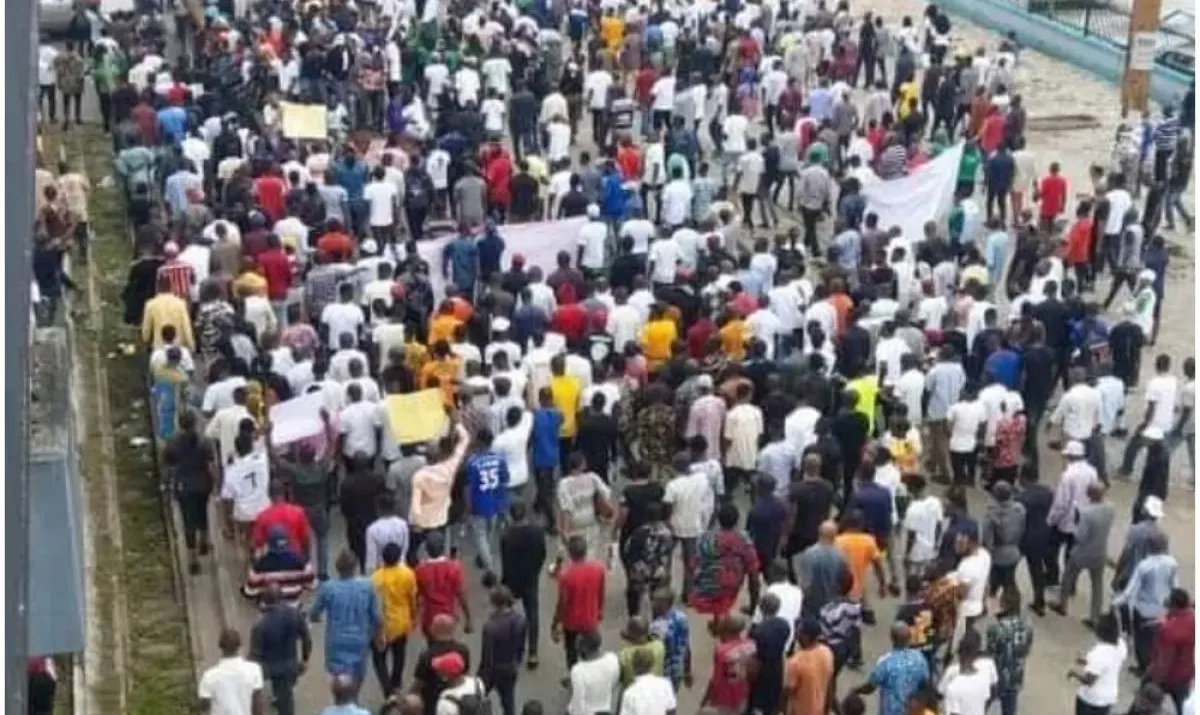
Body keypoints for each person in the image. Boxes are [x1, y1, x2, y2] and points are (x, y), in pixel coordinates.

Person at [310, 550, 382, 687]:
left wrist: (316, 618)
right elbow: (377, 617)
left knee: (338, 681)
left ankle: (342, 697)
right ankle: (353, 696)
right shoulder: (367, 586)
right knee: (357, 677)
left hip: (336, 641)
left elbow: (314, 613)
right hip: (360, 640)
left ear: (337, 567)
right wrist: (378, 636)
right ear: (355, 567)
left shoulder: (328, 588)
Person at [1052, 482, 1114, 627]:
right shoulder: (1110, 508)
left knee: (1068, 577)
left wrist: (1075, 525)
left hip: (1082, 553)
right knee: (1097, 585)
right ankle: (1095, 617)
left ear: (1089, 495)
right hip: (1100, 552)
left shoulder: (1086, 513)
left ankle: (1062, 605)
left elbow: (1080, 536)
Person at [690, 503, 762, 620]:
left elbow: (694, 563)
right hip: (728, 589)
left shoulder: (705, 537)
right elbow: (753, 572)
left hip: (704, 588)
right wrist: (754, 606)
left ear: (718, 519)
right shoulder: (742, 540)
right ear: (737, 521)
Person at [249, 583, 312, 715]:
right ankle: (280, 700)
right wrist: (305, 659)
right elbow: (306, 638)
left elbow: (255, 654)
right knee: (286, 695)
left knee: (285, 700)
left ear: (265, 601)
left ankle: (281, 701)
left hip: (273, 668)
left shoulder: (261, 624)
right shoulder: (295, 614)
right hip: (291, 664)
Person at [499, 503, 547, 669]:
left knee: (507, 615)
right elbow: (542, 554)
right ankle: (533, 653)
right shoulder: (537, 532)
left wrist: (504, 582)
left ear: (511, 515)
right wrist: (536, 572)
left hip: (512, 580)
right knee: (532, 614)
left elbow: (505, 561)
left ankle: (512, 650)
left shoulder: (507, 536)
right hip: (530, 578)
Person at [370, 542, 418, 698]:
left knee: (379, 658)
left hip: (382, 624)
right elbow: (412, 599)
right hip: (401, 621)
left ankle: (387, 689)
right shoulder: (408, 574)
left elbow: (373, 604)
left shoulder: (376, 578)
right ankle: (396, 683)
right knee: (399, 654)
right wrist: (414, 617)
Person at [850, 623, 930, 715]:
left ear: (892, 638)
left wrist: (856, 691)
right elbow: (925, 684)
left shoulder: (886, 662)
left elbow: (870, 687)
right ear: (909, 638)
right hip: (911, 711)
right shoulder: (920, 658)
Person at [554, 535, 606, 668]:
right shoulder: (599, 569)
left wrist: (555, 623)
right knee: (591, 652)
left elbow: (562, 603)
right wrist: (599, 612)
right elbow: (601, 593)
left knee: (571, 653)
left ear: (569, 553)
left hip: (571, 623)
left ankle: (574, 675)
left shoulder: (566, 575)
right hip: (590, 619)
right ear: (586, 551)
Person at [984, 588, 1034, 715]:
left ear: (1004, 605)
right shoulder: (1028, 625)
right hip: (1015, 676)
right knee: (1010, 709)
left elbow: (989, 654)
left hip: (996, 675)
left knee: (982, 705)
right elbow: (1027, 650)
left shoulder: (996, 629)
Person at [1068, 612, 1128, 715]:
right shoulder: (1121, 645)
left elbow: (1089, 681)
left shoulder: (1099, 652)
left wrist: (1074, 674)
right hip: (1108, 696)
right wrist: (1085, 661)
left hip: (1091, 699)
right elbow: (1107, 664)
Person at [414, 531, 472, 638]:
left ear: (427, 549)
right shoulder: (455, 568)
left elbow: (417, 597)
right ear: (443, 548)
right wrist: (468, 618)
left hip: (430, 617)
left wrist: (413, 618)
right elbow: (461, 595)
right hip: (449, 615)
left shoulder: (420, 570)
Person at [1147, 588, 1195, 712]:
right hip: (1185, 675)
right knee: (1183, 708)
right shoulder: (1193, 619)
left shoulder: (1168, 630)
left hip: (1168, 676)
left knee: (1144, 702)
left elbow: (1164, 659)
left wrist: (1155, 680)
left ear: (1173, 605)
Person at [199, 629, 266, 715]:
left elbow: (204, 707)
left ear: (220, 646)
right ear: (240, 645)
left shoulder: (209, 676)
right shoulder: (254, 669)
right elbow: (257, 704)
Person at [701, 614, 757, 715]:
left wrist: (705, 701)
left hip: (724, 699)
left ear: (726, 630)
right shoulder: (751, 644)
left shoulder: (722, 651)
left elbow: (716, 681)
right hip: (743, 695)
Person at [937, 628, 999, 715]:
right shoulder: (983, 680)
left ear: (959, 653)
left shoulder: (953, 686)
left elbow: (940, 693)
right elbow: (991, 694)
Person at [784, 618, 834, 715]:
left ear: (805, 637)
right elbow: (829, 685)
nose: (797, 635)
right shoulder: (827, 652)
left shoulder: (796, 662)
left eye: (799, 632)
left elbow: (788, 692)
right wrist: (826, 710)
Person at [566, 630, 621, 715]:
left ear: (584, 648)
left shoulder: (578, 671)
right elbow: (615, 681)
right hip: (605, 708)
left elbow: (578, 701)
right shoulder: (612, 658)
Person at [649, 588, 693, 692]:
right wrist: (687, 670)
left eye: (657, 601)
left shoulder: (657, 627)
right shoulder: (682, 617)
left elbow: (652, 654)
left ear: (666, 603)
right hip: (678, 669)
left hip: (662, 673)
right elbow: (686, 646)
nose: (653, 604)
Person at [618, 648, 677, 715]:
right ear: (652, 663)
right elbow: (671, 710)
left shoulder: (630, 693)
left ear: (633, 665)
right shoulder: (665, 684)